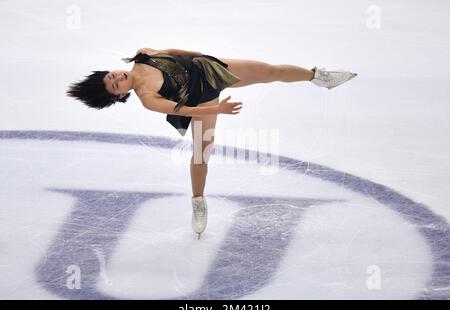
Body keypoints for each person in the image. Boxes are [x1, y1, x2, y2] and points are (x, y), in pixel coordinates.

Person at [67, 47, 357, 239]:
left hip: (211, 69)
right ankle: (198, 201)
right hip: (201, 99)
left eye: (111, 75)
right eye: (115, 85)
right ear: (119, 96)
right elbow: (183, 111)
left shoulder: (144, 54)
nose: (117, 77)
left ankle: (319, 76)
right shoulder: (148, 99)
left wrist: (210, 58)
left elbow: (178, 53)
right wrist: (215, 110)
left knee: (270, 71)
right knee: (201, 152)